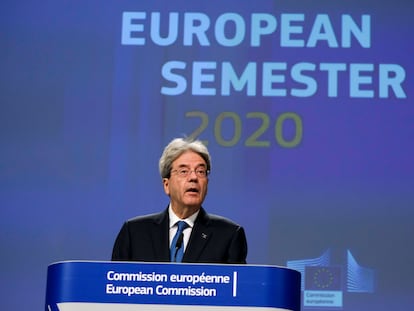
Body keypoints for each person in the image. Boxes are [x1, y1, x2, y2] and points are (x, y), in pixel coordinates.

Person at [112, 137, 248, 264]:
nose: (193, 177)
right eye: (184, 171)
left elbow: (237, 288)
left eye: (201, 171)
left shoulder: (229, 235)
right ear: (166, 185)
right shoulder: (134, 233)